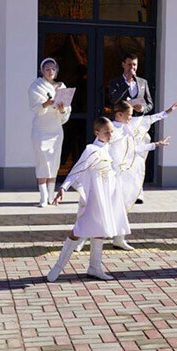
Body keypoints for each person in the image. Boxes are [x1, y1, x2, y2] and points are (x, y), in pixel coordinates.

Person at [46, 117, 131, 281]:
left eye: (111, 131)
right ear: (96, 132)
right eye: (106, 132)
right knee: (78, 230)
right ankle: (58, 266)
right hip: (94, 196)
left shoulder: (109, 148)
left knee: (101, 230)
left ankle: (95, 268)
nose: (110, 135)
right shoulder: (91, 149)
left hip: (107, 196)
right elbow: (78, 168)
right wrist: (63, 187)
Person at [107, 100, 177, 250]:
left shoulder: (128, 129)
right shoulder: (110, 129)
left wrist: (156, 144)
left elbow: (135, 148)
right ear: (119, 114)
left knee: (124, 204)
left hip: (126, 172)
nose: (131, 118)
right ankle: (81, 238)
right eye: (129, 115)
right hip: (112, 174)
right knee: (104, 205)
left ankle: (119, 238)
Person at [30, 58, 72, 207]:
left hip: (56, 131)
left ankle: (51, 196)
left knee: (54, 162)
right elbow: (34, 108)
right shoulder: (36, 86)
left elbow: (66, 111)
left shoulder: (62, 86)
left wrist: (62, 110)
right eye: (47, 69)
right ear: (42, 70)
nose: (50, 71)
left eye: (53, 69)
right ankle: (43, 196)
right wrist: (46, 104)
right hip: (41, 129)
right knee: (42, 161)